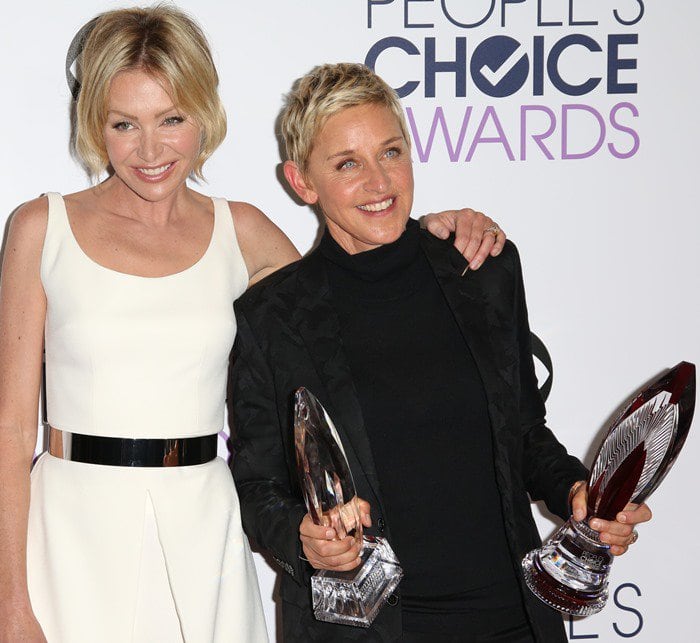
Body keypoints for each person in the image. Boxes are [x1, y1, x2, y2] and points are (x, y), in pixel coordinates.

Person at [0, 7, 505, 642]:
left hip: (202, 528)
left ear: (203, 116)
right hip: (69, 531)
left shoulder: (242, 232)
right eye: (124, 124)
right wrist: (10, 602)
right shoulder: (40, 228)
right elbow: (12, 429)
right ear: (95, 124)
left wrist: (434, 229)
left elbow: (352, 283)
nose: (150, 150)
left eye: (172, 120)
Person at [230, 62, 653, 643]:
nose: (379, 182)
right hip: (369, 631)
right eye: (347, 164)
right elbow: (257, 488)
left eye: (392, 152)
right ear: (302, 182)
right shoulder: (271, 317)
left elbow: (526, 434)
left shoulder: (482, 268)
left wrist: (581, 494)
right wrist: (304, 538)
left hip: (512, 618)